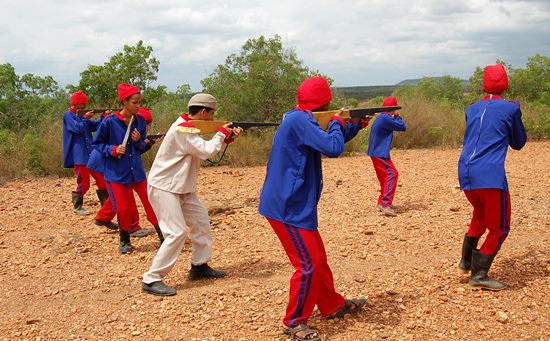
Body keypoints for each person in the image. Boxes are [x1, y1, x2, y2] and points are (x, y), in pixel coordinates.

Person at [258, 76, 366, 341]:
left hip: (294, 203)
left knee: (318, 259)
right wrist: (339, 123)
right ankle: (294, 321)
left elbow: (325, 138)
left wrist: (356, 125)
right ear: (323, 102)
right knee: (308, 264)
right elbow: (333, 146)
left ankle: (332, 305)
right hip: (287, 205)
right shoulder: (300, 120)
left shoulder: (298, 117)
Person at [141, 93, 242, 296]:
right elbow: (205, 151)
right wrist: (221, 134)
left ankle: (199, 266)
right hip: (165, 187)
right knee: (176, 233)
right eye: (212, 114)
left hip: (181, 186)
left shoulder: (187, 127)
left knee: (201, 221)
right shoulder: (183, 129)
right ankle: (151, 278)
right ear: (203, 111)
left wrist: (225, 138)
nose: (213, 118)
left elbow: (201, 149)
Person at [457, 64, 527, 290]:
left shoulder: (472, 108)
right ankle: (478, 275)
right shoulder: (510, 109)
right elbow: (518, 142)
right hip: (490, 175)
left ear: (484, 83)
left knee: (480, 214)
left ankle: (466, 261)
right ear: (505, 83)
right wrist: (517, 112)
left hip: (465, 171)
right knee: (500, 228)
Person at [92, 83, 162, 254]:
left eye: (139, 102)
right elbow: (98, 144)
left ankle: (163, 236)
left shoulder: (139, 121)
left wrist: (139, 140)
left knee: (151, 202)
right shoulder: (109, 122)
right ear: (124, 101)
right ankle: (124, 240)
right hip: (116, 172)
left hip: (136, 170)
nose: (138, 106)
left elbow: (140, 148)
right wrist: (113, 150)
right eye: (135, 102)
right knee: (123, 208)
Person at [62, 90, 113, 216]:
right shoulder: (68, 115)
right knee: (84, 182)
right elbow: (77, 128)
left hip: (91, 154)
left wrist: (104, 117)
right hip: (79, 155)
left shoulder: (81, 117)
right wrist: (85, 117)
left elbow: (97, 126)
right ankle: (77, 205)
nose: (84, 107)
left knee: (101, 179)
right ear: (76, 105)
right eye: (82, 105)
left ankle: (106, 205)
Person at [367, 96, 406, 217]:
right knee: (392, 174)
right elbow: (402, 126)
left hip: (376, 152)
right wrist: (398, 116)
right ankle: (385, 204)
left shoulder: (382, 117)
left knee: (385, 177)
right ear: (393, 109)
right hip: (379, 152)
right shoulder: (385, 118)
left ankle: (382, 202)